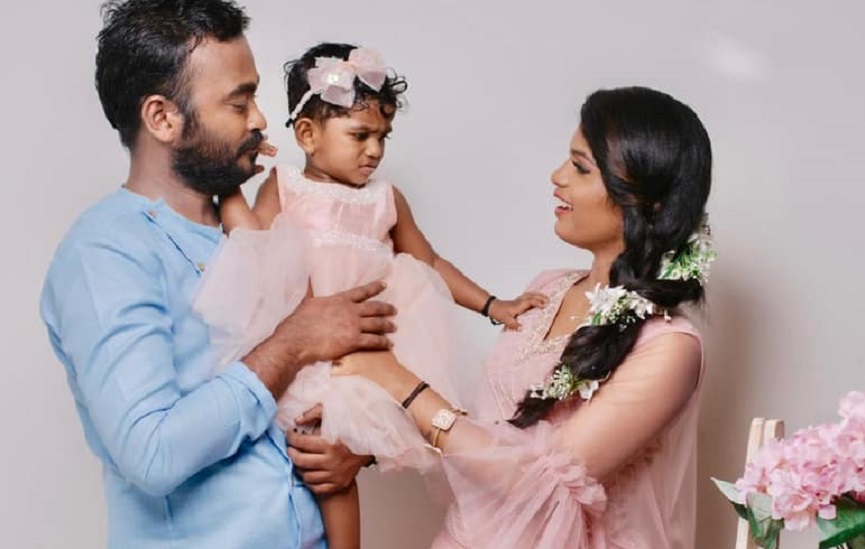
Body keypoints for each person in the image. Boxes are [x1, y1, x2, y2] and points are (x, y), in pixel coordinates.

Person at [39, 2, 394, 547]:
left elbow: (321, 388)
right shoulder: (105, 252)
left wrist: (352, 451)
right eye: (239, 102)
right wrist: (292, 342)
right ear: (162, 118)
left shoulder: (263, 229)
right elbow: (152, 452)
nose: (259, 120)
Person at [192, 42, 548, 549]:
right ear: (308, 135)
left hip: (364, 356)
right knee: (274, 455)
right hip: (301, 341)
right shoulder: (286, 185)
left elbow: (428, 263)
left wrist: (496, 306)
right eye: (360, 135)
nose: (375, 150)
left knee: (332, 457)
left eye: (383, 136)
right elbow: (253, 246)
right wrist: (229, 189)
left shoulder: (385, 198)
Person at [335, 86, 716, 548]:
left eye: (580, 167)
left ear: (645, 201)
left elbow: (536, 482)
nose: (557, 177)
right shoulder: (546, 288)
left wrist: (401, 384)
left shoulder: (668, 347)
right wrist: (360, 448)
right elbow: (482, 433)